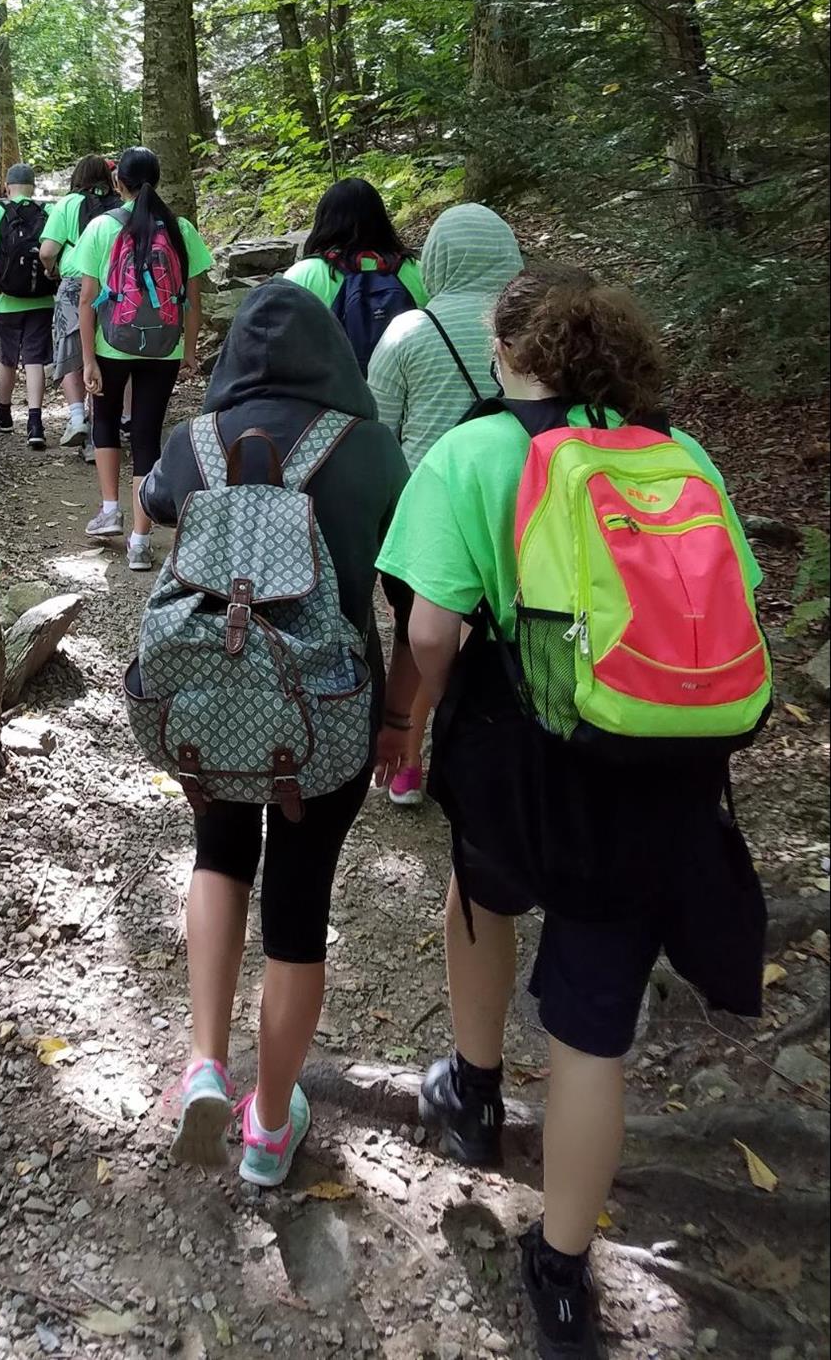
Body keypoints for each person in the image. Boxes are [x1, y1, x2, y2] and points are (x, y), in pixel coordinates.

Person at [376, 272, 767, 1360]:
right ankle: (558, 1271)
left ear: (507, 353)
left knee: (482, 888)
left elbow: (432, 636)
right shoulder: (679, 454)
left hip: (518, 764)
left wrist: (415, 721)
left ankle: (474, 1092)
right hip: (657, 770)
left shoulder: (472, 454)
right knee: (593, 1026)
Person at [138, 280, 410, 1182]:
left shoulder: (193, 442)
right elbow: (409, 595)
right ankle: (265, 1127)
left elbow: (155, 507)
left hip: (212, 705)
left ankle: (205, 1062)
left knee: (217, 857)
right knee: (299, 904)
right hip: (323, 710)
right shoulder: (368, 448)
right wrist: (403, 716)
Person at [367, 202, 522, 807]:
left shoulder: (409, 329)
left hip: (426, 512)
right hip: (511, 508)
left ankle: (405, 759)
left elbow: (380, 430)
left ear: (436, 259)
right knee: (499, 638)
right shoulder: (529, 333)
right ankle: (491, 747)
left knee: (418, 634)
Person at [74, 147, 213, 569]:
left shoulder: (101, 227)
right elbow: (192, 298)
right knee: (148, 434)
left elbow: (85, 300)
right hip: (164, 347)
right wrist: (188, 352)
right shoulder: (180, 228)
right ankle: (140, 539)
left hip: (110, 343)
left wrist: (88, 361)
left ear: (119, 183)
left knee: (105, 420)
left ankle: (110, 510)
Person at [285, 177, 428, 370]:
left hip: (334, 394)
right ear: (381, 220)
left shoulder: (302, 276)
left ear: (323, 220)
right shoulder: (418, 271)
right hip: (407, 389)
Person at [39, 154, 117, 451]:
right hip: (114, 288)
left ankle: (76, 417)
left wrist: (51, 269)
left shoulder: (67, 204)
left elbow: (47, 250)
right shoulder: (120, 206)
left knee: (71, 348)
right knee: (105, 354)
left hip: (74, 284)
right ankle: (100, 433)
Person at [0, 163, 54, 449]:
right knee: (34, 359)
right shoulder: (47, 211)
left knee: (7, 358)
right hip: (42, 299)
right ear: (33, 187)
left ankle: (5, 415)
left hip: (6, 300)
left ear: (7, 186)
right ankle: (35, 423)